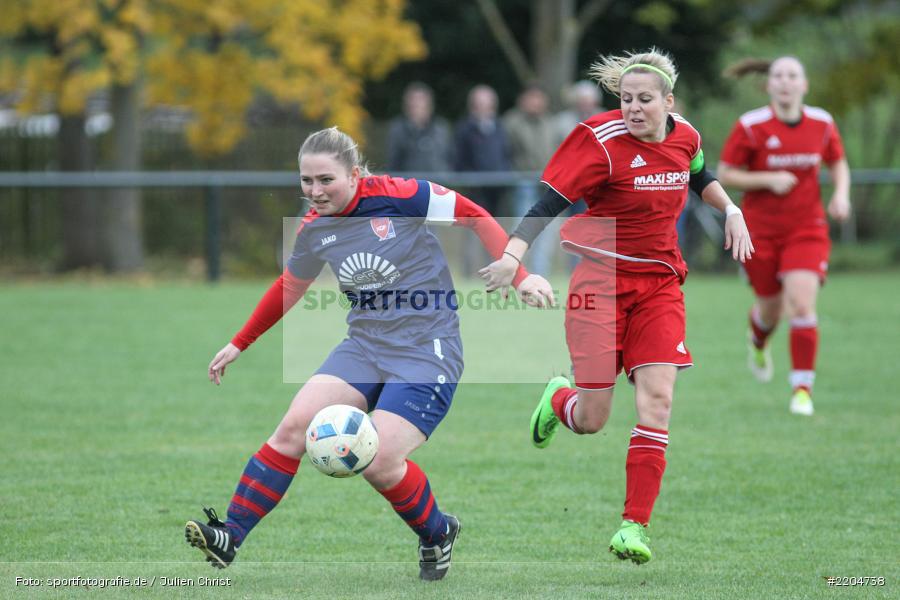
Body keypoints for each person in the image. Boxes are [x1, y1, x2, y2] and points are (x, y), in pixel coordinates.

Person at [186, 127, 552, 580]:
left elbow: (473, 214)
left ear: (355, 174)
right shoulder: (314, 230)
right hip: (364, 346)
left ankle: (437, 534)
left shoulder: (401, 195)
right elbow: (289, 287)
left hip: (426, 349)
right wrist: (238, 342)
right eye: (306, 181)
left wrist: (519, 274)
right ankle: (230, 534)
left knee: (380, 462)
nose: (314, 192)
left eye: (326, 180)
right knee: (292, 429)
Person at [479, 49, 754, 564]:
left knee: (658, 401)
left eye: (644, 100)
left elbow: (699, 175)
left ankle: (633, 527)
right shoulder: (599, 141)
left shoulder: (686, 135)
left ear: (668, 102)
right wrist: (513, 259)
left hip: (660, 287)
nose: (632, 108)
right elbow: (546, 205)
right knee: (592, 420)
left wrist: (731, 209)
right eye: (626, 99)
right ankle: (561, 400)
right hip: (599, 289)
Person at [717, 57, 851, 416]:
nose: (786, 82)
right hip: (759, 232)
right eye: (778, 76)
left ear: (804, 85)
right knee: (770, 311)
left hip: (807, 229)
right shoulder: (751, 126)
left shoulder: (822, 123)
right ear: (769, 85)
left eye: (793, 76)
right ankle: (758, 339)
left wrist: (841, 194)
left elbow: (837, 161)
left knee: (803, 305)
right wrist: (767, 180)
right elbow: (725, 173)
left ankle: (802, 389)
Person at [503, 83, 560, 276]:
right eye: (531, 98)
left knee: (546, 232)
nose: (535, 103)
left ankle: (539, 274)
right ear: (523, 100)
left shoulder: (551, 123)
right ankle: (512, 271)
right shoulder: (512, 122)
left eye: (539, 98)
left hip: (547, 185)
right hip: (523, 183)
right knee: (520, 228)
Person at [455, 84, 511, 276]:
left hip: (497, 193)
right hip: (474, 193)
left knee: (496, 234)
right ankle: (469, 275)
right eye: (479, 105)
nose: (484, 109)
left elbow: (506, 155)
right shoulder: (464, 129)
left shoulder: (500, 128)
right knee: (472, 236)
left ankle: (493, 273)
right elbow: (459, 160)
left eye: (488, 105)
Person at [386, 82, 454, 173]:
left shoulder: (441, 128)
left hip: (438, 184)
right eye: (412, 100)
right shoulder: (397, 129)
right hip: (409, 184)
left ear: (429, 104)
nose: (415, 104)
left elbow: (451, 157)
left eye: (420, 100)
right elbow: (393, 162)